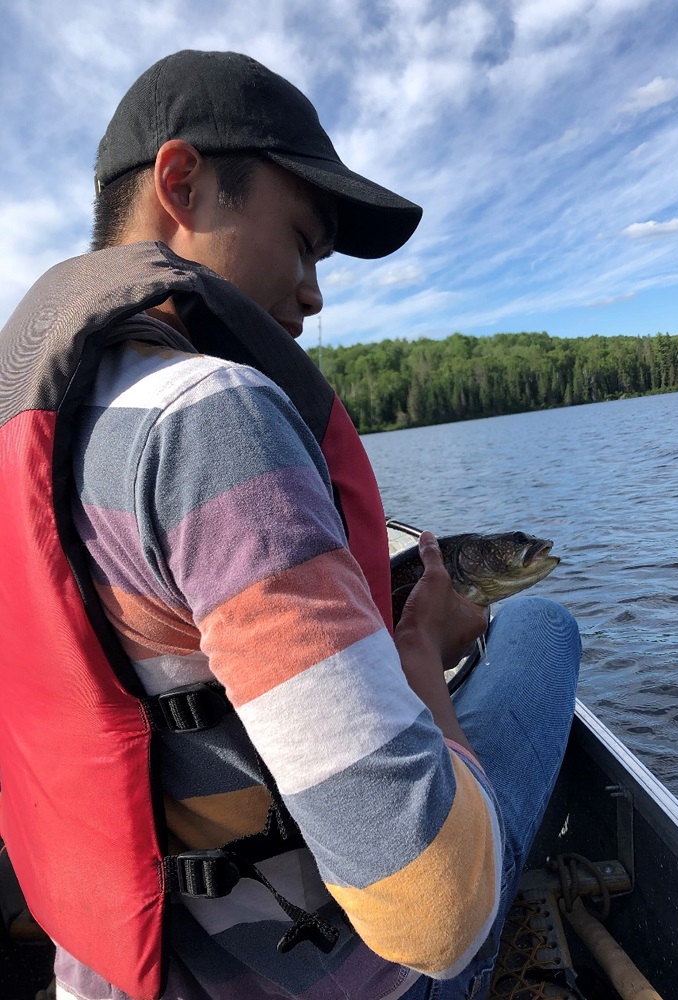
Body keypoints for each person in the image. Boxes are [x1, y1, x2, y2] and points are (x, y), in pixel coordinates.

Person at [0, 50, 580, 1000]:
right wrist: (421, 660)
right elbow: (433, 912)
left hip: (112, 973)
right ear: (179, 183)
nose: (314, 291)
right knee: (543, 629)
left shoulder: (44, 417)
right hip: (328, 981)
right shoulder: (208, 414)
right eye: (304, 242)